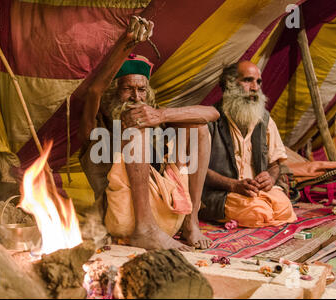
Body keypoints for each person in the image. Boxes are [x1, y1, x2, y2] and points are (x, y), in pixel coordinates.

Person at [76, 16, 219, 250]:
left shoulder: (155, 122)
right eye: (127, 89)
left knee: (198, 128)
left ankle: (191, 223)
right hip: (124, 220)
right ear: (114, 93)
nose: (136, 97)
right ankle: (145, 230)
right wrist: (128, 42)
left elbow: (212, 113)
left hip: (169, 213)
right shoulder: (95, 129)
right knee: (136, 132)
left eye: (141, 90)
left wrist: (161, 116)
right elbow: (94, 90)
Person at [200, 61, 297, 228]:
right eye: (248, 80)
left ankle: (260, 208)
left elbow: (275, 164)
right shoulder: (211, 120)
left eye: (258, 82)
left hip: (255, 192)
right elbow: (196, 169)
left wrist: (270, 178)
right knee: (259, 213)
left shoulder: (264, 119)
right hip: (221, 193)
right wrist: (233, 185)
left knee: (284, 208)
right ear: (229, 84)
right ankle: (258, 210)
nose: (255, 87)